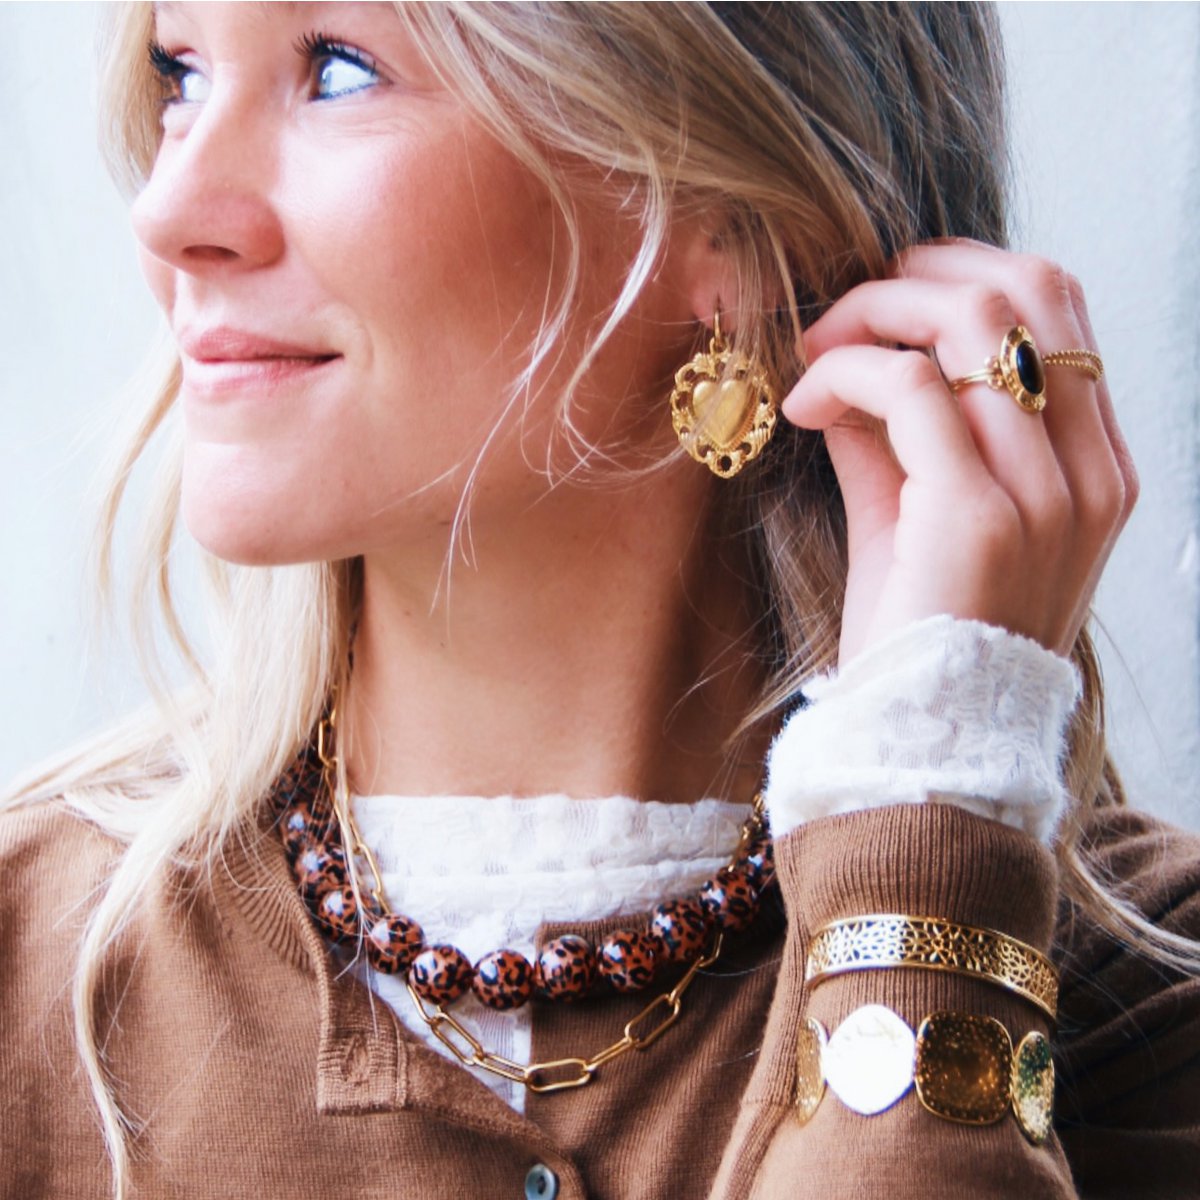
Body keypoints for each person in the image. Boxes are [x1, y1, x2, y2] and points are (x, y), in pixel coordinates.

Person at [3, 3, 1198, 1198]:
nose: (167, 210)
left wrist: (928, 840)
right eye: (180, 72)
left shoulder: (1147, 1001)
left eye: (340, 70)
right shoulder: (26, 967)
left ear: (738, 225)